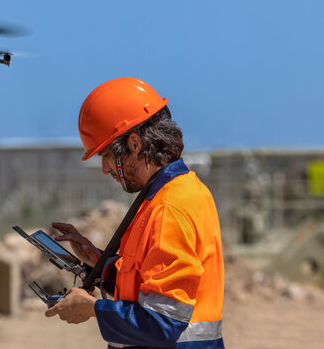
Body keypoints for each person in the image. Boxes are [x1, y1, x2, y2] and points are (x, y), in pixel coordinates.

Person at [46, 77, 225, 349]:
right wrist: (99, 261)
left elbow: (162, 324)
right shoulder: (175, 192)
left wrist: (93, 308)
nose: (106, 168)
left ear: (134, 143)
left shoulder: (168, 208)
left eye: (106, 154)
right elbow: (148, 285)